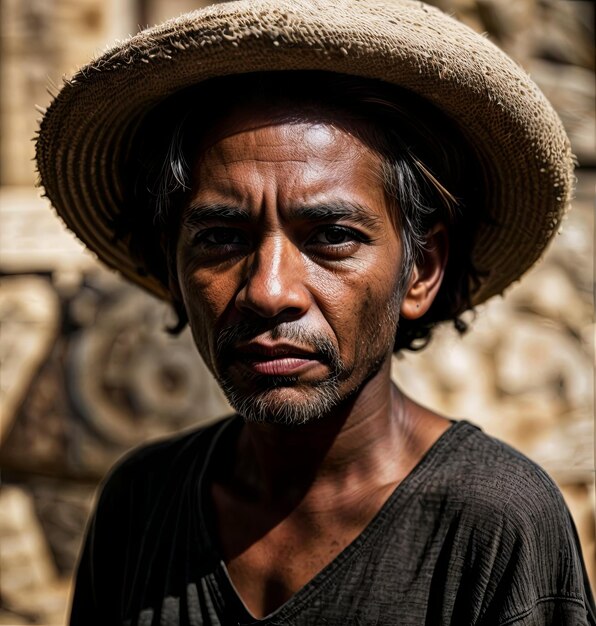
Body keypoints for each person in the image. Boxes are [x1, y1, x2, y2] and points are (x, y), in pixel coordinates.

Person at [36, 0, 595, 624]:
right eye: (221, 237)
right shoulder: (142, 503)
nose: (270, 291)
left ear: (422, 269)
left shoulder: (494, 524)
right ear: (173, 269)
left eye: (331, 236)